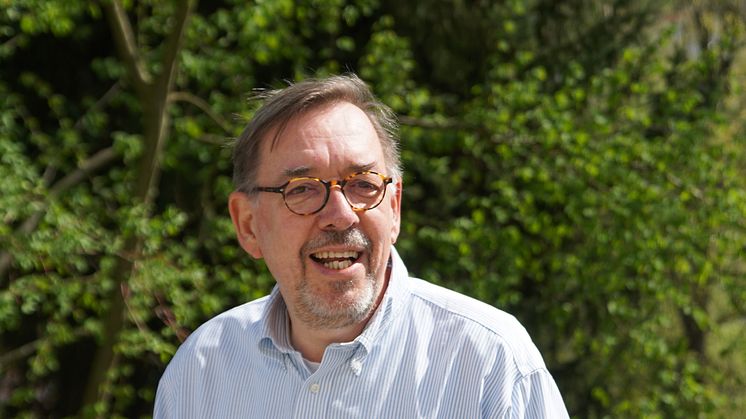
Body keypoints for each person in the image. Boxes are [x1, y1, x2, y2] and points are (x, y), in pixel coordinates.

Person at [154, 74, 569, 418]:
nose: (341, 214)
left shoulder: (490, 364)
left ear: (394, 207)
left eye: (363, 185)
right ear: (247, 225)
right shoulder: (199, 373)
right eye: (302, 190)